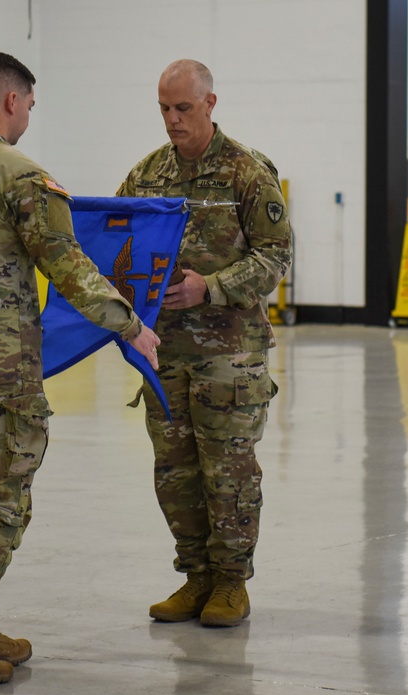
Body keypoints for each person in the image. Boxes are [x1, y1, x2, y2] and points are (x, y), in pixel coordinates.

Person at [0, 51, 161, 684]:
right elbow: (67, 266)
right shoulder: (21, 173)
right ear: (13, 101)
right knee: (3, 494)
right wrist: (131, 325)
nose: (28, 119)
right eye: (31, 107)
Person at [117, 59, 292, 627]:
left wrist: (210, 288)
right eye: (164, 108)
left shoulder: (247, 173)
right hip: (164, 352)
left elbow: (276, 256)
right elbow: (115, 241)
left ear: (210, 105)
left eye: (183, 108)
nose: (172, 120)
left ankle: (231, 584)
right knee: (175, 471)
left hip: (229, 355)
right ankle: (195, 578)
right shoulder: (145, 177)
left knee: (229, 472)